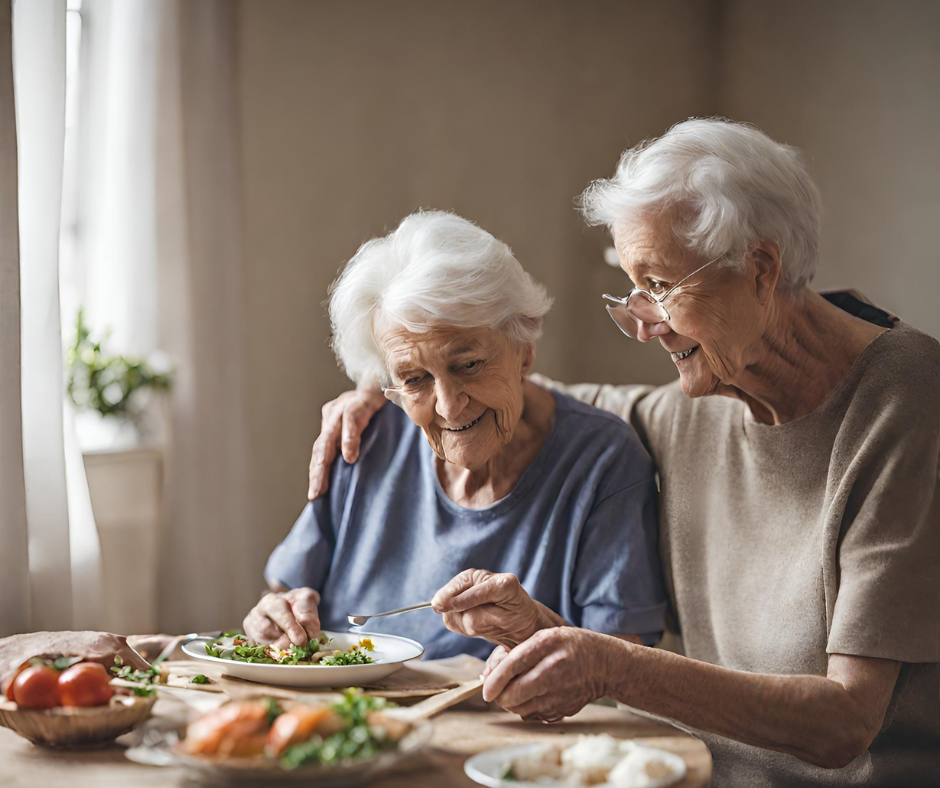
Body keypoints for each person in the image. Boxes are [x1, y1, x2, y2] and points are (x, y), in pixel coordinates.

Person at [307, 120, 940, 786]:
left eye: (660, 286)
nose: (643, 323)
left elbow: (845, 724)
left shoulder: (906, 403)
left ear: (760, 270)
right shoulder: (685, 409)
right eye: (630, 289)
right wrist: (382, 388)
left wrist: (612, 666)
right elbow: (499, 385)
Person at [245, 211, 666, 660]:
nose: (447, 406)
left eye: (467, 365)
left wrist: (534, 630)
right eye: (414, 379)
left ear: (525, 349)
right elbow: (288, 588)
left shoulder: (602, 461)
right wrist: (276, 615)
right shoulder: (365, 437)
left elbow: (623, 667)